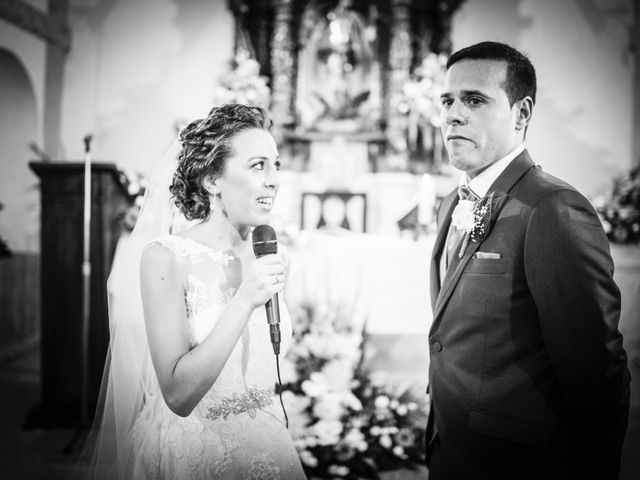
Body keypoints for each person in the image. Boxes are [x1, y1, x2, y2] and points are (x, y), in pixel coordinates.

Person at [426, 41, 630, 480]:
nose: (453, 115)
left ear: (521, 113)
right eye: (447, 100)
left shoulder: (553, 209)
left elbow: (596, 371)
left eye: (475, 100)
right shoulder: (450, 205)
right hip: (453, 452)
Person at [81, 104, 306, 479]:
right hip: (193, 451)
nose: (274, 180)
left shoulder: (272, 254)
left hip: (268, 447)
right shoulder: (164, 258)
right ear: (212, 180)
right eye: (257, 165)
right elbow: (177, 395)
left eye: (276, 165)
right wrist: (245, 298)